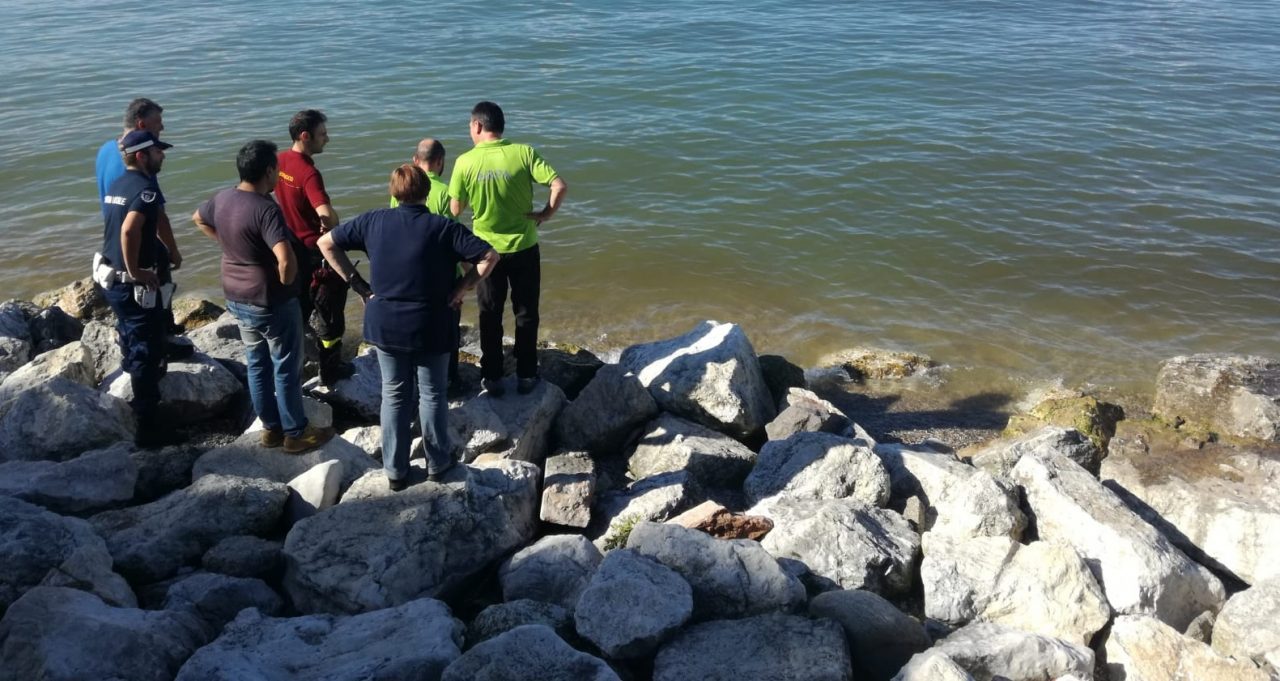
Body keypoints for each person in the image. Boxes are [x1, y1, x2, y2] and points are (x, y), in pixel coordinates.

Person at [319, 164, 498, 491]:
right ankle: (437, 463)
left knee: (395, 394)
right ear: (427, 192)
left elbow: (326, 243)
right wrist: (462, 288)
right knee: (432, 394)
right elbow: (489, 256)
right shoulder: (442, 227)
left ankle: (396, 470)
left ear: (393, 192)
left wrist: (359, 286)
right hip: (432, 323)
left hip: (386, 324)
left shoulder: (372, 221)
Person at [192, 140, 334, 454]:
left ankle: (270, 429)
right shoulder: (265, 209)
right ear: (268, 171)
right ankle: (295, 433)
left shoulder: (223, 197)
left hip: (236, 296)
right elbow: (284, 258)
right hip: (270, 300)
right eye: (276, 169)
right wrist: (286, 284)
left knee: (257, 364)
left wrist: (229, 246)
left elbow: (198, 218)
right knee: (286, 366)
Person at [449, 101, 567, 396]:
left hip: (486, 253)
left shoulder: (465, 161)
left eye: (470, 127)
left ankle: (492, 377)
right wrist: (545, 214)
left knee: (490, 313)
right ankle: (527, 375)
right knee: (526, 312)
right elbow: (559, 185)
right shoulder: (523, 152)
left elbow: (454, 208)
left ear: (477, 126)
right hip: (525, 246)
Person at [93, 130, 181, 448]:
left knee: (132, 331)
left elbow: (156, 221)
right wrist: (137, 270)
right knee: (148, 346)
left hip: (110, 279)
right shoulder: (145, 189)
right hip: (129, 282)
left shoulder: (119, 184)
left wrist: (170, 251)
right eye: (158, 151)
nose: (163, 155)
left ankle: (132, 368)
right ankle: (148, 424)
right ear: (143, 155)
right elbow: (130, 229)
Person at [95, 98, 191, 359]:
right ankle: (162, 338)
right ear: (141, 124)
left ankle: (134, 333)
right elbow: (158, 216)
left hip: (112, 233)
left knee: (129, 299)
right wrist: (173, 250)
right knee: (154, 283)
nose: (162, 128)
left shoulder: (106, 149)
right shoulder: (141, 163)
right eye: (157, 123)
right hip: (134, 233)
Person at [274, 109, 350, 386]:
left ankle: (294, 356)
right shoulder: (308, 173)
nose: (327, 139)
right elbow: (326, 214)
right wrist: (334, 224)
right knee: (331, 313)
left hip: (289, 246)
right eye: (322, 134)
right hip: (313, 251)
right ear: (305, 136)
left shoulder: (279, 161)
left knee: (300, 306)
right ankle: (331, 370)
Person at [394, 138, 466, 393]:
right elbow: (453, 238)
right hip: (444, 273)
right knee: (448, 328)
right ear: (440, 162)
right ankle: (450, 378)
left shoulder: (401, 192)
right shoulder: (447, 193)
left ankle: (416, 375)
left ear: (415, 160)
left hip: (410, 272)